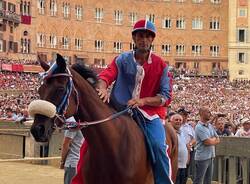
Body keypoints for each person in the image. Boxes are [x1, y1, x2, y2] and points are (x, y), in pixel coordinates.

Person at [96, 19, 173, 184]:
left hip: (150, 115)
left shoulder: (161, 65)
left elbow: (165, 96)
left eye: (147, 36)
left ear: (152, 39)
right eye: (140, 36)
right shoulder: (121, 59)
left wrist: (143, 101)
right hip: (119, 110)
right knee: (92, 139)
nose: (144, 40)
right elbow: (105, 76)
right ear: (134, 38)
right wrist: (102, 87)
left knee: (159, 146)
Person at [193, 107, 220, 184]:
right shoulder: (199, 127)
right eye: (208, 112)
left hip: (210, 156)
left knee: (208, 180)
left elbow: (218, 138)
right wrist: (213, 140)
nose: (210, 114)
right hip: (202, 158)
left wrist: (212, 140)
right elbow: (207, 142)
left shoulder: (209, 125)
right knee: (198, 180)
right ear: (201, 113)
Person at [60, 117, 84, 184]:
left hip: (72, 162)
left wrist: (62, 161)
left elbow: (66, 144)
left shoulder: (72, 122)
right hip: (79, 161)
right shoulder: (82, 120)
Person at [177, 107, 196, 183]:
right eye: (183, 115)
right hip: (178, 152)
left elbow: (195, 138)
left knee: (185, 172)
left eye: (186, 115)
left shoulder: (189, 127)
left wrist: (190, 143)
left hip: (188, 151)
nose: (185, 117)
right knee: (178, 172)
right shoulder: (176, 126)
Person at [170, 113, 188, 184]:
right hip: (175, 166)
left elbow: (186, 146)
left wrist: (187, 157)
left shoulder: (182, 132)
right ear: (171, 121)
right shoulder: (169, 133)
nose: (178, 121)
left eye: (180, 120)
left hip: (183, 165)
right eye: (176, 120)